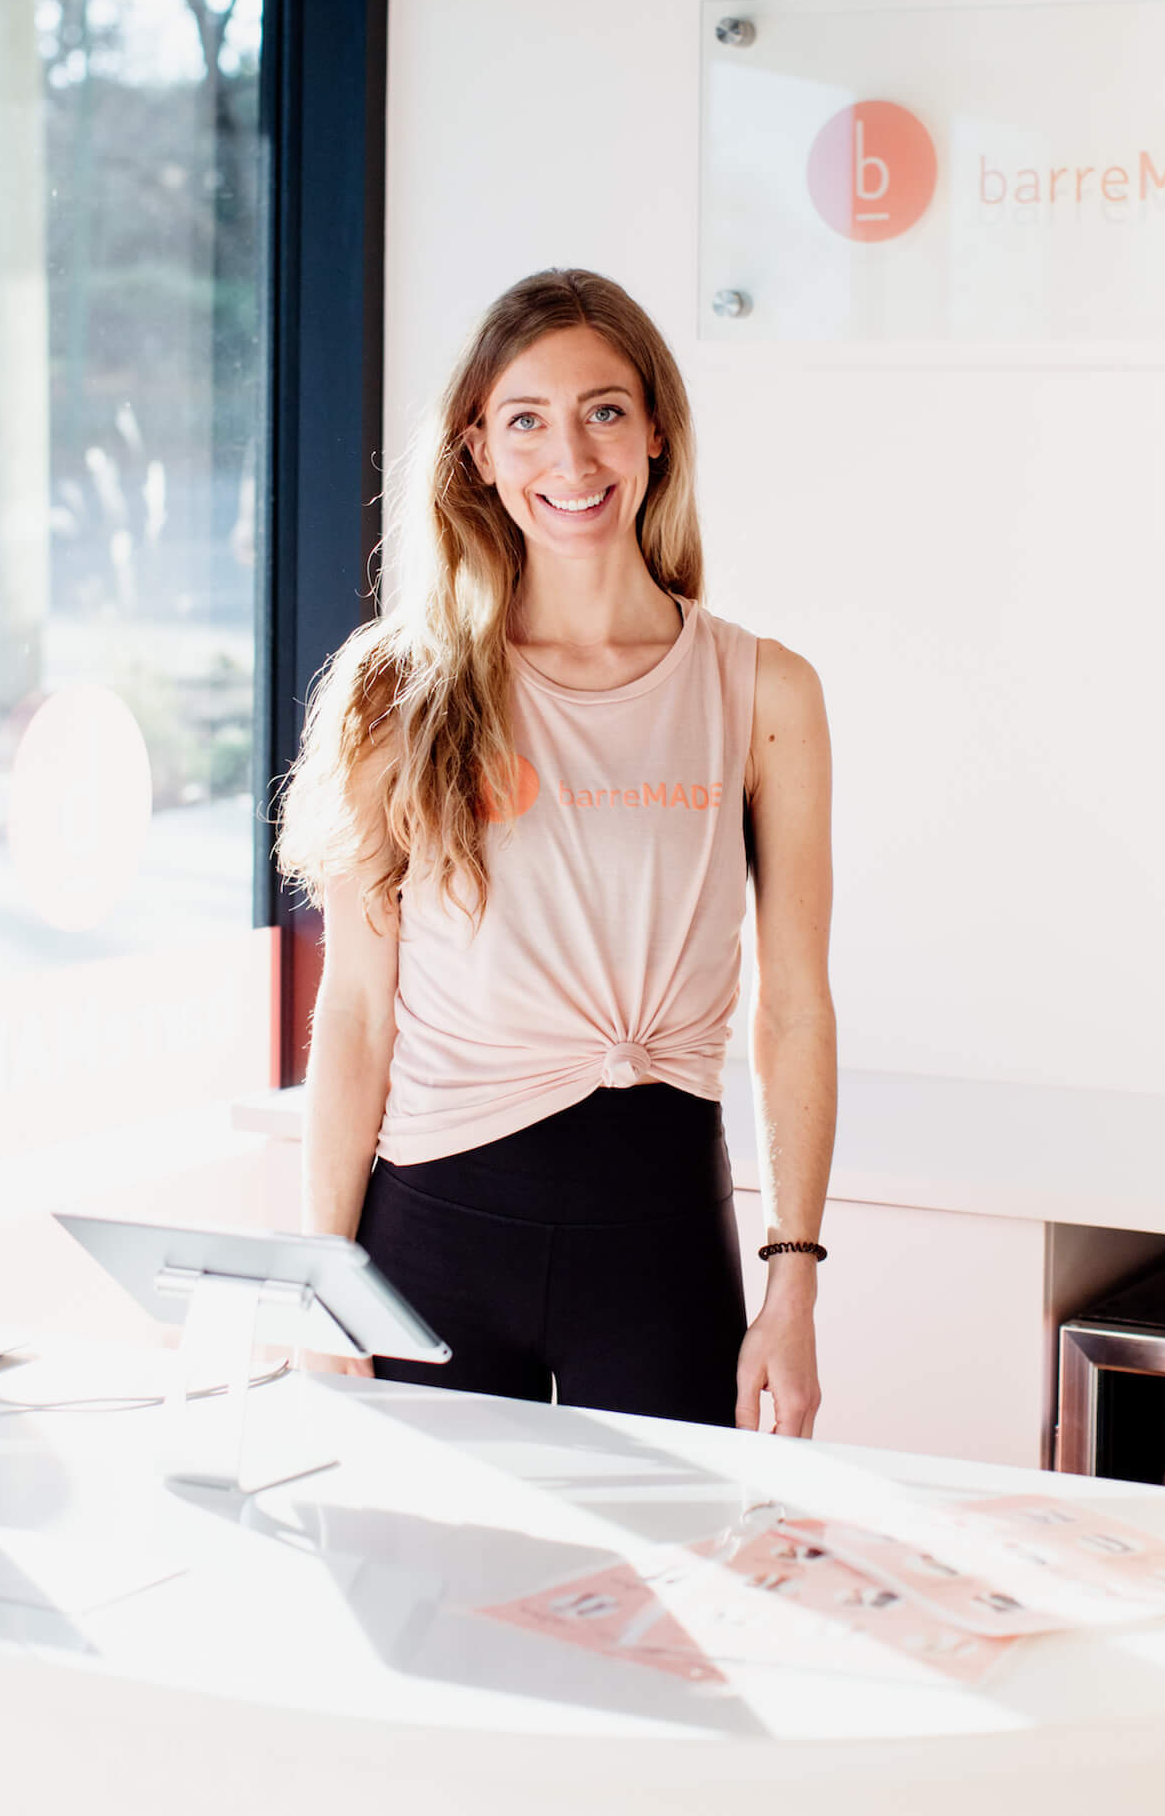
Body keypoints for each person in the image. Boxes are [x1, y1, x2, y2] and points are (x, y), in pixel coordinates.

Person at [276, 267, 836, 1434]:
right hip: (430, 1234)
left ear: (654, 435)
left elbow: (792, 1007)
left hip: (662, 1243)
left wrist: (793, 1284)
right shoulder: (396, 689)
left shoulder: (762, 690)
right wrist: (317, 1280)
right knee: (423, 1598)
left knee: (664, 1606)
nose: (569, 460)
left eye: (603, 411)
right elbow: (356, 1014)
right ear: (476, 450)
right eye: (525, 419)